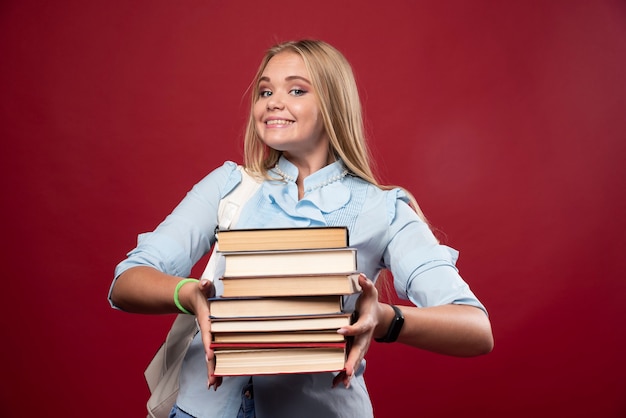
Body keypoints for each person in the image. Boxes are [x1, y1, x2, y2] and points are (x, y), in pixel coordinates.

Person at [109, 39, 493, 418]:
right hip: (199, 409)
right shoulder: (227, 186)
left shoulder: (384, 208)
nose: (273, 101)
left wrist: (385, 319)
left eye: (296, 89)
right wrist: (189, 294)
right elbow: (126, 282)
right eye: (264, 91)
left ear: (332, 105)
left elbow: (475, 329)